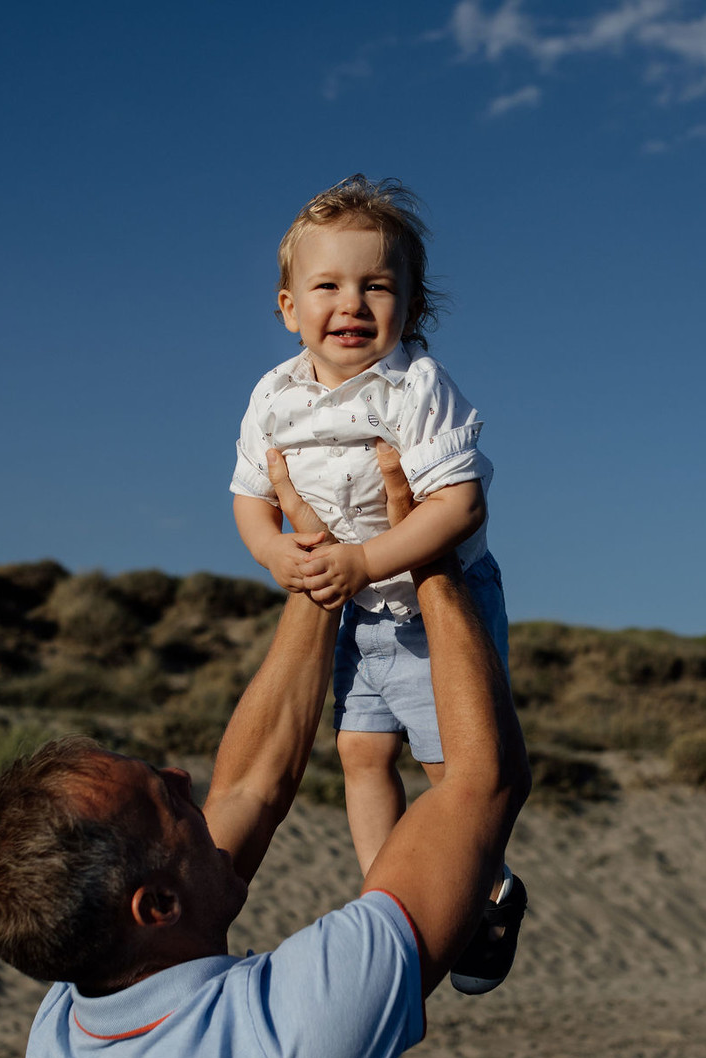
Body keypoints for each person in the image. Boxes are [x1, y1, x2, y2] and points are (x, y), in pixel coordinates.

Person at [0, 449, 531, 1058]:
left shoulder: (67, 1031)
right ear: (156, 906)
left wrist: (318, 567)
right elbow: (482, 786)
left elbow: (253, 786)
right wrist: (430, 556)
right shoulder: (286, 1036)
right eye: (166, 800)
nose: (184, 777)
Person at [229, 175, 524, 992]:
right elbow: (250, 495)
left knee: (453, 770)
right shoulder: (274, 396)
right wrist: (271, 554)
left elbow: (458, 504)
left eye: (377, 286)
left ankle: (485, 889)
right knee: (359, 750)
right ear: (289, 307)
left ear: (411, 307)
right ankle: (387, 893)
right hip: (357, 614)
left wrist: (367, 557)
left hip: (436, 610)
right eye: (327, 285)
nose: (351, 303)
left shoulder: (415, 388)